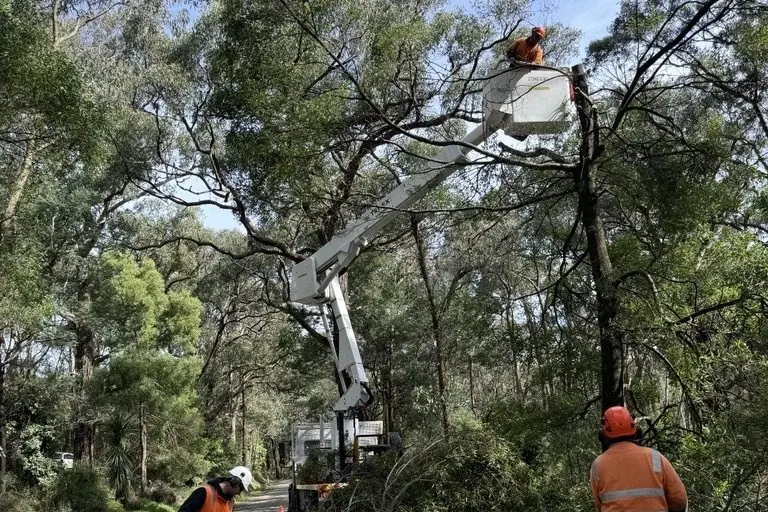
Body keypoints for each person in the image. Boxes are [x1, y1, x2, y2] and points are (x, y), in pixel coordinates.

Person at [590, 406, 688, 512]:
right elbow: (679, 499)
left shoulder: (598, 465)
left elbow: (600, 505)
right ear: (635, 430)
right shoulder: (655, 457)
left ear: (603, 436)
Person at [178, 466, 253, 512]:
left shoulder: (231, 503)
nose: (239, 493)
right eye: (241, 489)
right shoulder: (204, 492)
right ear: (235, 482)